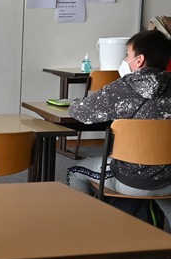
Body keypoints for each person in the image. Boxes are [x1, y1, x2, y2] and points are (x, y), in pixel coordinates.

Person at [66, 30, 171, 211]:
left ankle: (84, 227)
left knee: (75, 171)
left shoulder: (124, 87)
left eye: (127, 55)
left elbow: (81, 113)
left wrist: (74, 104)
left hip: (131, 179)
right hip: (169, 178)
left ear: (139, 60)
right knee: (166, 197)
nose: (124, 60)